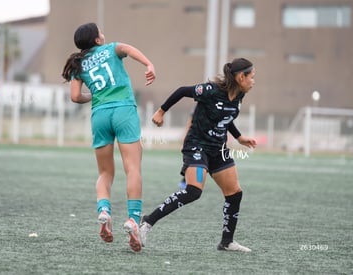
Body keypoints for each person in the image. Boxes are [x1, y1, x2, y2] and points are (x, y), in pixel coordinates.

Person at [139, 58, 257, 252]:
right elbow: (182, 91)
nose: (253, 81)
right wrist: (161, 111)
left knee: (235, 193)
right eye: (251, 77)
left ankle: (227, 242)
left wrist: (240, 137)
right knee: (193, 191)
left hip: (218, 149)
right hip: (197, 146)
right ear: (240, 76)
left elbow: (226, 118)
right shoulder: (211, 91)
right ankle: (147, 221)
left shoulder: (238, 95)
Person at [61, 22, 155, 252]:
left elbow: (75, 96)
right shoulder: (111, 48)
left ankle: (104, 211)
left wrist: (93, 97)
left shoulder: (78, 63)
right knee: (132, 168)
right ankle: (133, 219)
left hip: (100, 115)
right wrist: (148, 64)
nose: (103, 34)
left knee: (105, 172)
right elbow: (129, 50)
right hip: (124, 110)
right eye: (99, 32)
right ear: (97, 40)